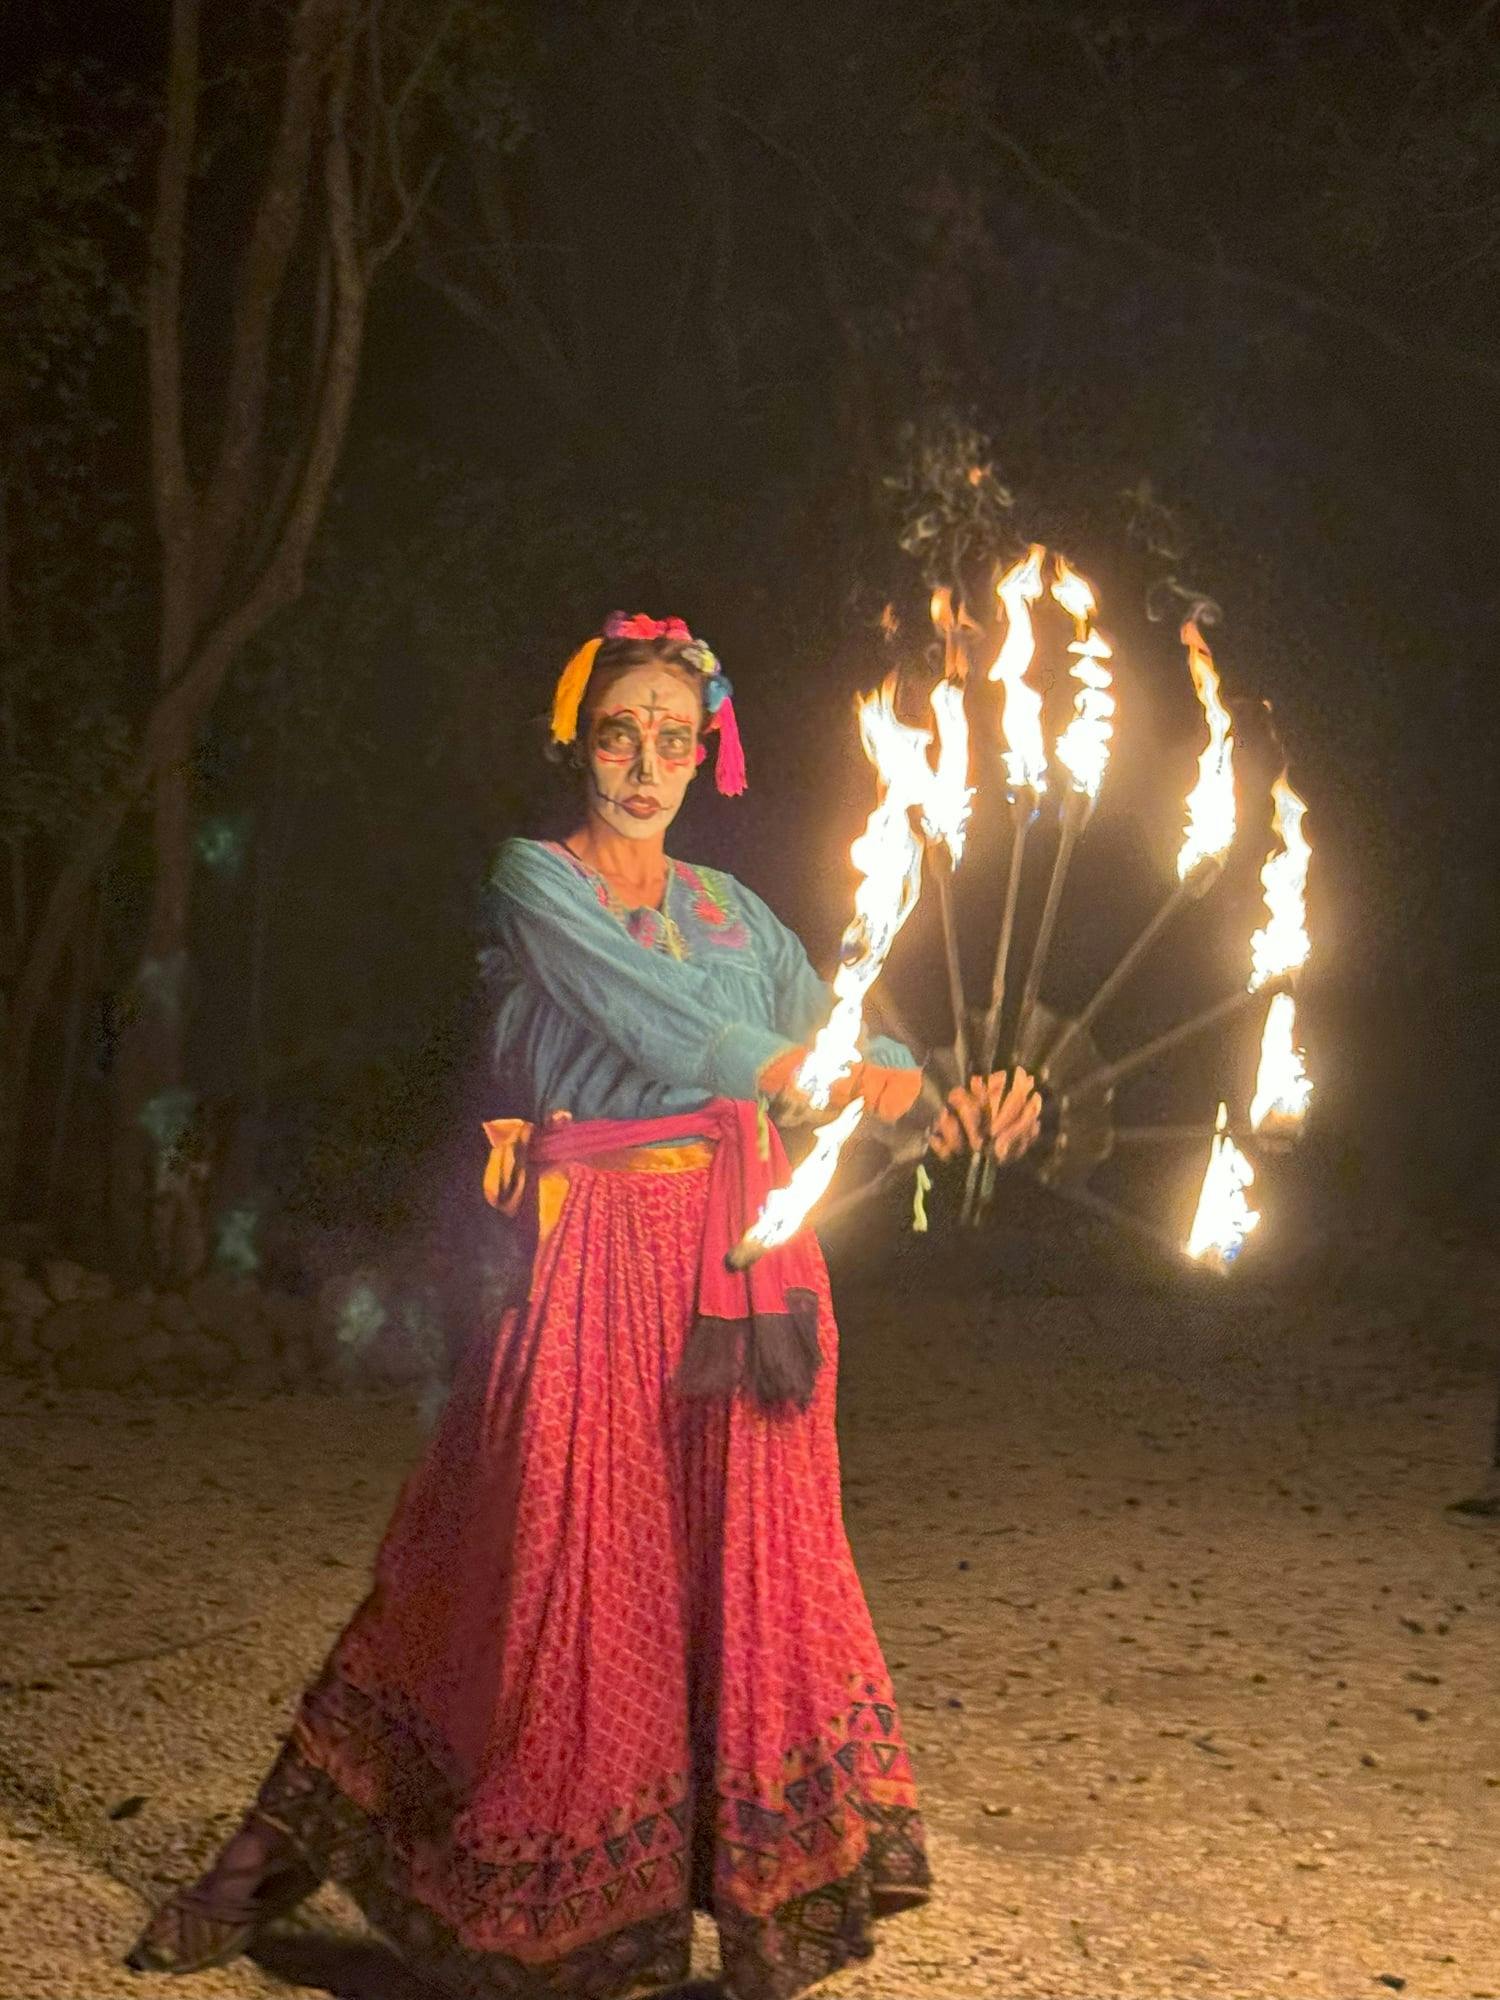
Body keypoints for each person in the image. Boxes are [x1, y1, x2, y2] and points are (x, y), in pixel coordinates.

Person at [126, 612, 1042, 1998]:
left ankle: (720, 1922)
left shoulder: (739, 912)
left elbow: (856, 1036)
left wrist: (945, 1097)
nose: (647, 760)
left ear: (705, 753)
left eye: (676, 735)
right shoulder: (534, 882)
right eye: (622, 729)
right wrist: (838, 1076)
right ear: (581, 738)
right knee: (501, 1567)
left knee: (731, 1583)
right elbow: (666, 1030)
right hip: (588, 1260)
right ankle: (252, 1876)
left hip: (740, 1268)